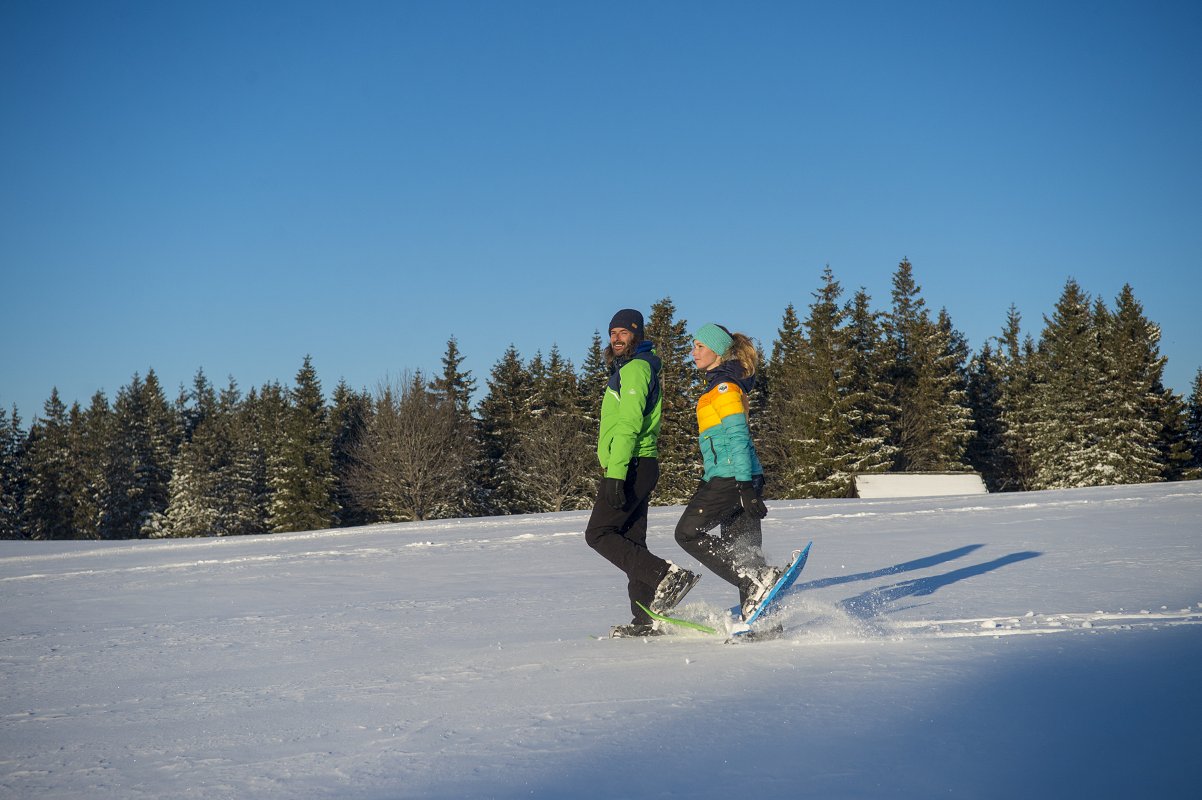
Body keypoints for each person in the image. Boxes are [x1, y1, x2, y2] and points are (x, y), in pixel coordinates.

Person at [585, 309, 700, 638]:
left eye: (624, 332)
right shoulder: (628, 368)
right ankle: (646, 618)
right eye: (613, 333)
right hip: (638, 464)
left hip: (632, 463)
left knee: (599, 534)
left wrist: (616, 474)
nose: (617, 338)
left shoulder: (635, 368)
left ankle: (668, 576)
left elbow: (629, 424)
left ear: (636, 334)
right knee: (632, 540)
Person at [674, 322, 784, 621]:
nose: (693, 352)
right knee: (745, 550)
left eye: (700, 346)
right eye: (692, 346)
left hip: (734, 476)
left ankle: (754, 580)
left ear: (718, 351)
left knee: (687, 533)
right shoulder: (718, 385)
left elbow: (738, 436)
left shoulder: (724, 388)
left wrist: (744, 486)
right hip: (736, 475)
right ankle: (760, 624)